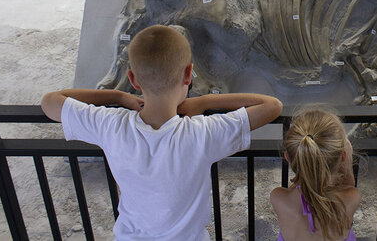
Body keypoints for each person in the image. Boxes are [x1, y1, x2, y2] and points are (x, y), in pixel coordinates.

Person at [41, 25, 282, 240]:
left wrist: (117, 96)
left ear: (133, 79)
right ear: (188, 74)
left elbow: (51, 101)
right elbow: (271, 106)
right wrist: (205, 102)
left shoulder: (110, 125)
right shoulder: (201, 134)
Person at [270, 110, 360, 241]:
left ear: (288, 158)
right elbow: (348, 186)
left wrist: (305, 172)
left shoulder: (279, 198)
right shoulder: (351, 199)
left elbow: (303, 187)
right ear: (343, 157)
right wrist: (347, 157)